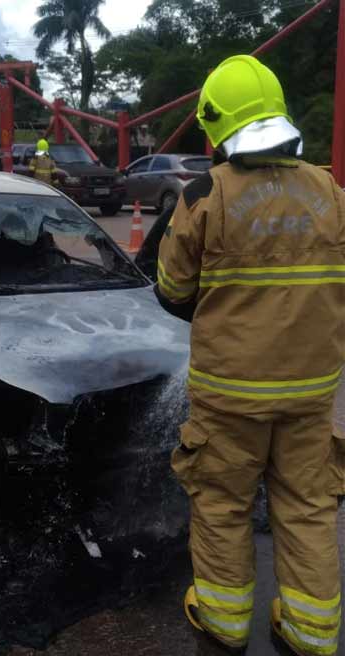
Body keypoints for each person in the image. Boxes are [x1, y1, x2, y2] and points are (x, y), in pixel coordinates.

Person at [156, 54, 345, 656]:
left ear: (216, 125)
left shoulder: (204, 194)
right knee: (308, 504)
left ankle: (224, 620)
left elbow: (172, 290)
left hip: (229, 393)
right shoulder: (330, 189)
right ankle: (312, 630)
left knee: (221, 502)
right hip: (313, 391)